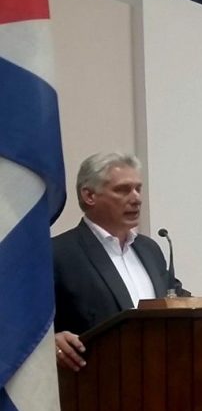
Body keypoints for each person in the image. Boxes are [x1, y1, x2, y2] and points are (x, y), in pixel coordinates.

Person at [53, 152, 186, 371]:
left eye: (138, 189)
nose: (136, 198)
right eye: (123, 190)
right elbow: (25, 324)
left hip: (160, 379)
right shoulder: (59, 253)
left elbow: (176, 298)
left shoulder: (149, 249)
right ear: (89, 195)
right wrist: (51, 342)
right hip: (93, 385)